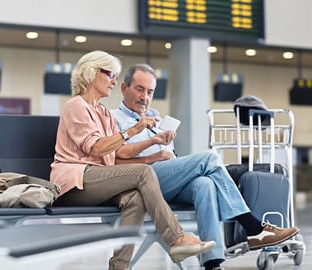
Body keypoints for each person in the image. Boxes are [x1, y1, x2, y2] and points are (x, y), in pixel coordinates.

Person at [111, 63, 300, 270]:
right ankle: (252, 226)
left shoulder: (155, 118)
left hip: (167, 181)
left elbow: (170, 157)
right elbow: (113, 162)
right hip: (141, 182)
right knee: (208, 158)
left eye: (150, 92)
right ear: (124, 88)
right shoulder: (113, 118)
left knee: (204, 184)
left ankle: (213, 263)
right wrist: (153, 155)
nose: (144, 97)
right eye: (139, 89)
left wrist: (170, 156)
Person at [49, 51, 215, 270]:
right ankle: (176, 238)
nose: (114, 81)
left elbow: (116, 156)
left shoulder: (104, 113)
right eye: (109, 74)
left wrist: (152, 143)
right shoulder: (76, 106)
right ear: (91, 73)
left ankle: (119, 267)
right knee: (143, 172)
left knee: (135, 199)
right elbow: (96, 147)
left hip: (97, 180)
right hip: (74, 182)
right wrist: (132, 130)